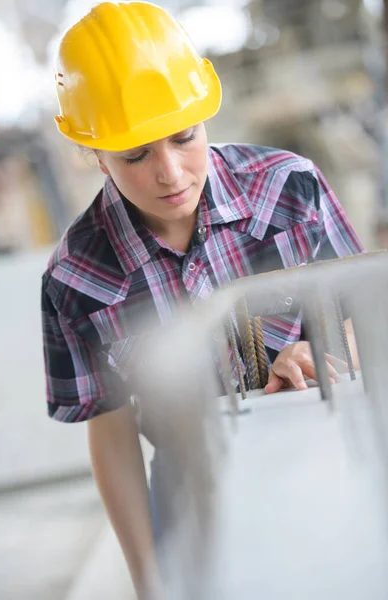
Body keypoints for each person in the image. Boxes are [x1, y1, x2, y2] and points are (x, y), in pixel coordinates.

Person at [41, 2, 363, 598]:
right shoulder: (77, 279)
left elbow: (363, 321)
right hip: (196, 492)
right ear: (93, 151)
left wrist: (323, 359)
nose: (170, 173)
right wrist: (149, 579)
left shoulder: (290, 189)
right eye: (135, 155)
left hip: (326, 461)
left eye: (184, 137)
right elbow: (112, 437)